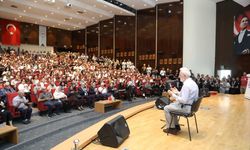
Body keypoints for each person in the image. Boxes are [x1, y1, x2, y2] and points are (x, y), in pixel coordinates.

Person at [163, 67, 199, 134]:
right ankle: (176, 126)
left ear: (184, 76)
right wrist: (177, 92)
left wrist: (172, 94)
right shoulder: (192, 83)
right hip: (191, 107)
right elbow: (187, 95)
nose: (179, 76)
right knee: (172, 105)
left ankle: (171, 128)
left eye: (180, 75)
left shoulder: (186, 85)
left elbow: (183, 100)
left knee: (166, 108)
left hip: (186, 108)